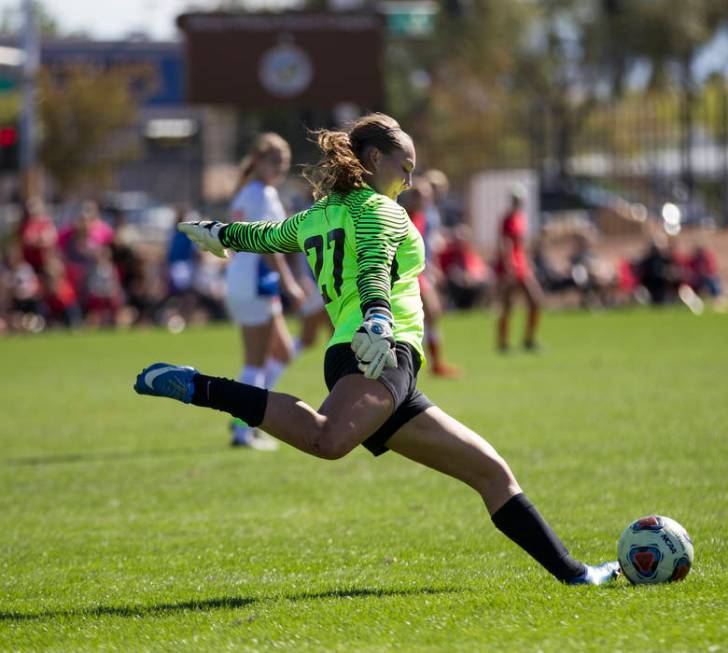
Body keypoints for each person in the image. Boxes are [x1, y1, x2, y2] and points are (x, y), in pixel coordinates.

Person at [133, 112, 619, 586]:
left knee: (491, 472)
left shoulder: (319, 214)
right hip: (380, 351)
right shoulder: (382, 211)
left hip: (371, 359)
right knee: (327, 439)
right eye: (404, 168)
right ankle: (201, 388)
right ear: (372, 157)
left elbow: (268, 237)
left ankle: (576, 575)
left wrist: (219, 234)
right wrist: (378, 317)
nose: (408, 181)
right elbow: (371, 266)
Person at [224, 133, 307, 450]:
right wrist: (289, 283)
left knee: (283, 352)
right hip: (254, 282)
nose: (280, 168)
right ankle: (243, 429)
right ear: (257, 160)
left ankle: (247, 416)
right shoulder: (261, 194)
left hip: (248, 281)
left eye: (284, 163)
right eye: (274, 161)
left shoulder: (249, 192)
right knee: (255, 362)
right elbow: (268, 244)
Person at [400, 183, 460, 377]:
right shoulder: (402, 216)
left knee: (433, 313)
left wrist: (431, 267)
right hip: (404, 274)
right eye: (422, 197)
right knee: (428, 313)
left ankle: (433, 363)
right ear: (411, 198)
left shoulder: (422, 217)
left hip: (419, 272)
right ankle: (421, 362)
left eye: (427, 197)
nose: (426, 201)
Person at [495, 184, 544, 352]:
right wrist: (509, 264)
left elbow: (520, 245)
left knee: (535, 300)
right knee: (508, 304)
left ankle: (529, 339)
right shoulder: (508, 219)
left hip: (521, 265)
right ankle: (502, 342)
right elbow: (505, 242)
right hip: (512, 265)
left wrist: (527, 262)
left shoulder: (520, 217)